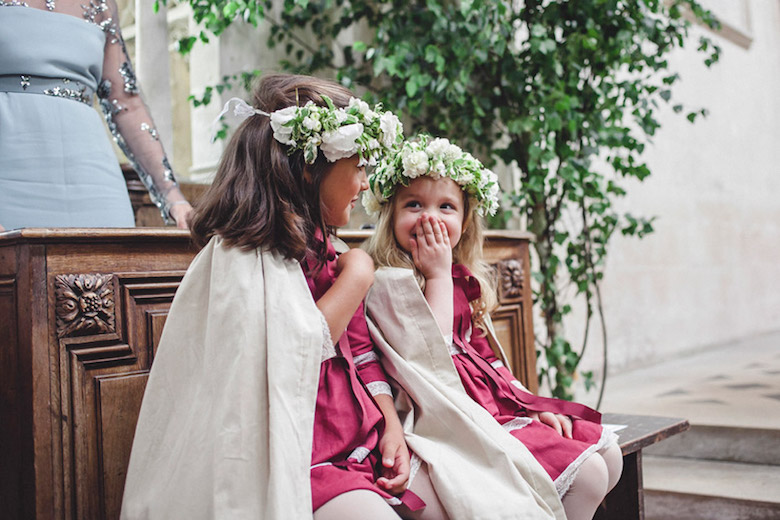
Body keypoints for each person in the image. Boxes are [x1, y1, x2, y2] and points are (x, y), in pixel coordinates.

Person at [121, 74, 455, 520]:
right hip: (299, 451)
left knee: (465, 495)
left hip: (358, 437)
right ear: (308, 168)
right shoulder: (242, 256)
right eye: (357, 167)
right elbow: (290, 352)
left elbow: (358, 350)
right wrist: (356, 278)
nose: (363, 184)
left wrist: (392, 424)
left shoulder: (326, 249)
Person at [363, 135, 623, 520]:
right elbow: (429, 359)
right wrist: (435, 275)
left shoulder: (457, 277)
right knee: (589, 475)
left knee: (609, 455)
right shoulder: (388, 281)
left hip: (487, 402)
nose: (429, 218)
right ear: (390, 214)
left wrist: (529, 404)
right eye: (413, 204)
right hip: (442, 413)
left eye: (446, 207)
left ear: (465, 222)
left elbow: (484, 355)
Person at [0, 0, 191, 230]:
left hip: (95, 185)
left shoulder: (102, 4)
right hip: (8, 181)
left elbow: (127, 103)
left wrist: (172, 196)